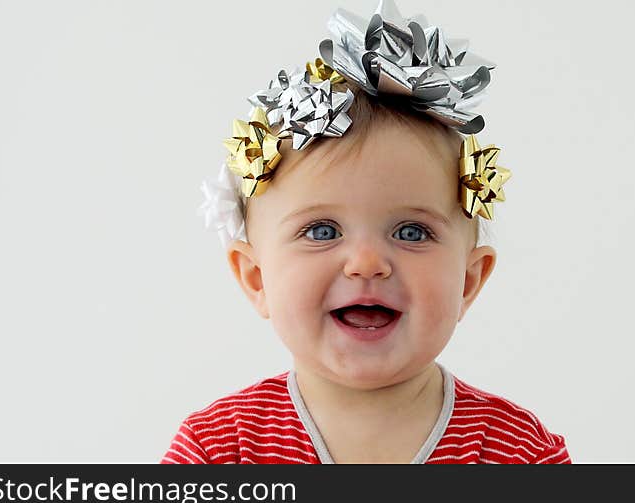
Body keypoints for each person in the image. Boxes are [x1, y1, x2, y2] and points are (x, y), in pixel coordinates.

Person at [162, 0, 570, 464]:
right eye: (321, 231)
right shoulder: (219, 448)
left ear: (469, 281)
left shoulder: (518, 451)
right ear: (256, 278)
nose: (367, 263)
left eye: (413, 232)